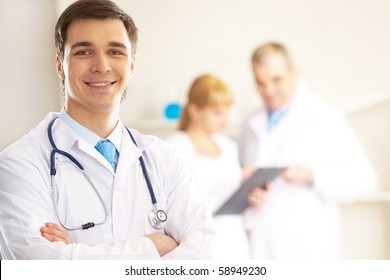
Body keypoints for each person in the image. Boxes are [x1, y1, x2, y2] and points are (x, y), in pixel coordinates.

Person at [0, 0, 215, 260]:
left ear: (132, 64)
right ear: (60, 65)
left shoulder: (163, 158)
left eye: (115, 52)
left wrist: (76, 255)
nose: (101, 66)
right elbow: (40, 265)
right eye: (84, 52)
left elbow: (205, 257)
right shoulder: (19, 163)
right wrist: (154, 247)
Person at [237, 42, 376, 259]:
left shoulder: (325, 117)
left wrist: (313, 175)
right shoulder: (249, 124)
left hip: (307, 245)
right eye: (260, 83)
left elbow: (365, 180)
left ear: (293, 72)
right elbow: (239, 180)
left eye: (276, 80)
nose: (269, 91)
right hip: (258, 245)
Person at [166, 74, 258, 260]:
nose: (225, 119)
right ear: (194, 110)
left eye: (227, 111)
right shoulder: (174, 148)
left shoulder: (228, 146)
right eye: (217, 112)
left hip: (235, 241)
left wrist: (248, 186)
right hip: (198, 245)